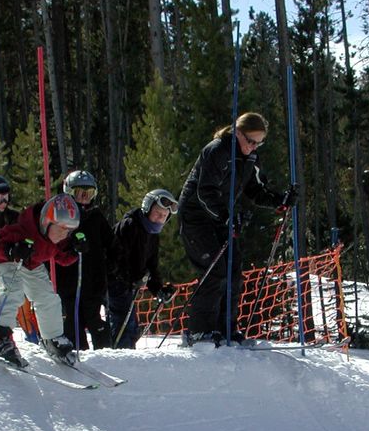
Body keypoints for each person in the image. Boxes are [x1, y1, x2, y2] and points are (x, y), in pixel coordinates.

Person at [178, 112, 297, 346]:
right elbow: (205, 192)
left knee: (232, 271)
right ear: (237, 132)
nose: (252, 147)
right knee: (215, 270)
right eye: (250, 141)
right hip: (196, 216)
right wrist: (226, 216)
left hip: (222, 217)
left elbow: (254, 190)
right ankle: (199, 331)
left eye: (258, 143)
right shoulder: (218, 151)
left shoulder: (251, 158)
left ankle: (227, 329)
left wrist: (279, 200)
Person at [0, 193, 87, 366]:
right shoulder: (23, 228)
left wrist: (75, 251)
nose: (64, 234)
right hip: (9, 261)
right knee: (14, 291)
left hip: (32, 264)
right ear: (47, 221)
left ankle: (53, 338)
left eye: (69, 230)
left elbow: (63, 258)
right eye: (61, 228)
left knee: (48, 297)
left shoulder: (56, 238)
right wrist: (12, 251)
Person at [108, 189, 178, 349]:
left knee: (131, 325)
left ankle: (126, 352)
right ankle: (120, 354)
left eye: (164, 216)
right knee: (123, 321)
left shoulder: (152, 233)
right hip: (115, 282)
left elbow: (152, 265)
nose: (160, 218)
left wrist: (158, 289)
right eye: (157, 213)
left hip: (128, 285)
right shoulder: (130, 225)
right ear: (147, 208)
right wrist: (130, 278)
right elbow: (117, 258)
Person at [55, 170, 113, 350]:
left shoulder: (96, 217)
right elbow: (54, 243)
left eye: (89, 194)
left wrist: (113, 268)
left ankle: (104, 355)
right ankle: (77, 353)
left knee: (95, 320)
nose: (84, 199)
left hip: (93, 282)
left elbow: (111, 244)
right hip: (68, 281)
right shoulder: (62, 216)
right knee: (73, 322)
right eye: (80, 193)